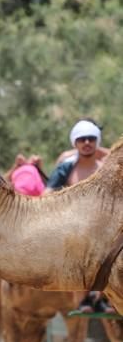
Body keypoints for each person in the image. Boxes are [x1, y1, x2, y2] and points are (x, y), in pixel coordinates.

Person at [46, 119, 114, 314]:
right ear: (75, 143)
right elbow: (47, 194)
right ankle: (83, 299)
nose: (86, 143)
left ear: (96, 141)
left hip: (103, 227)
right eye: (82, 139)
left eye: (91, 139)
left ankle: (100, 298)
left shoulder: (106, 169)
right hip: (72, 226)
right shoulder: (66, 168)